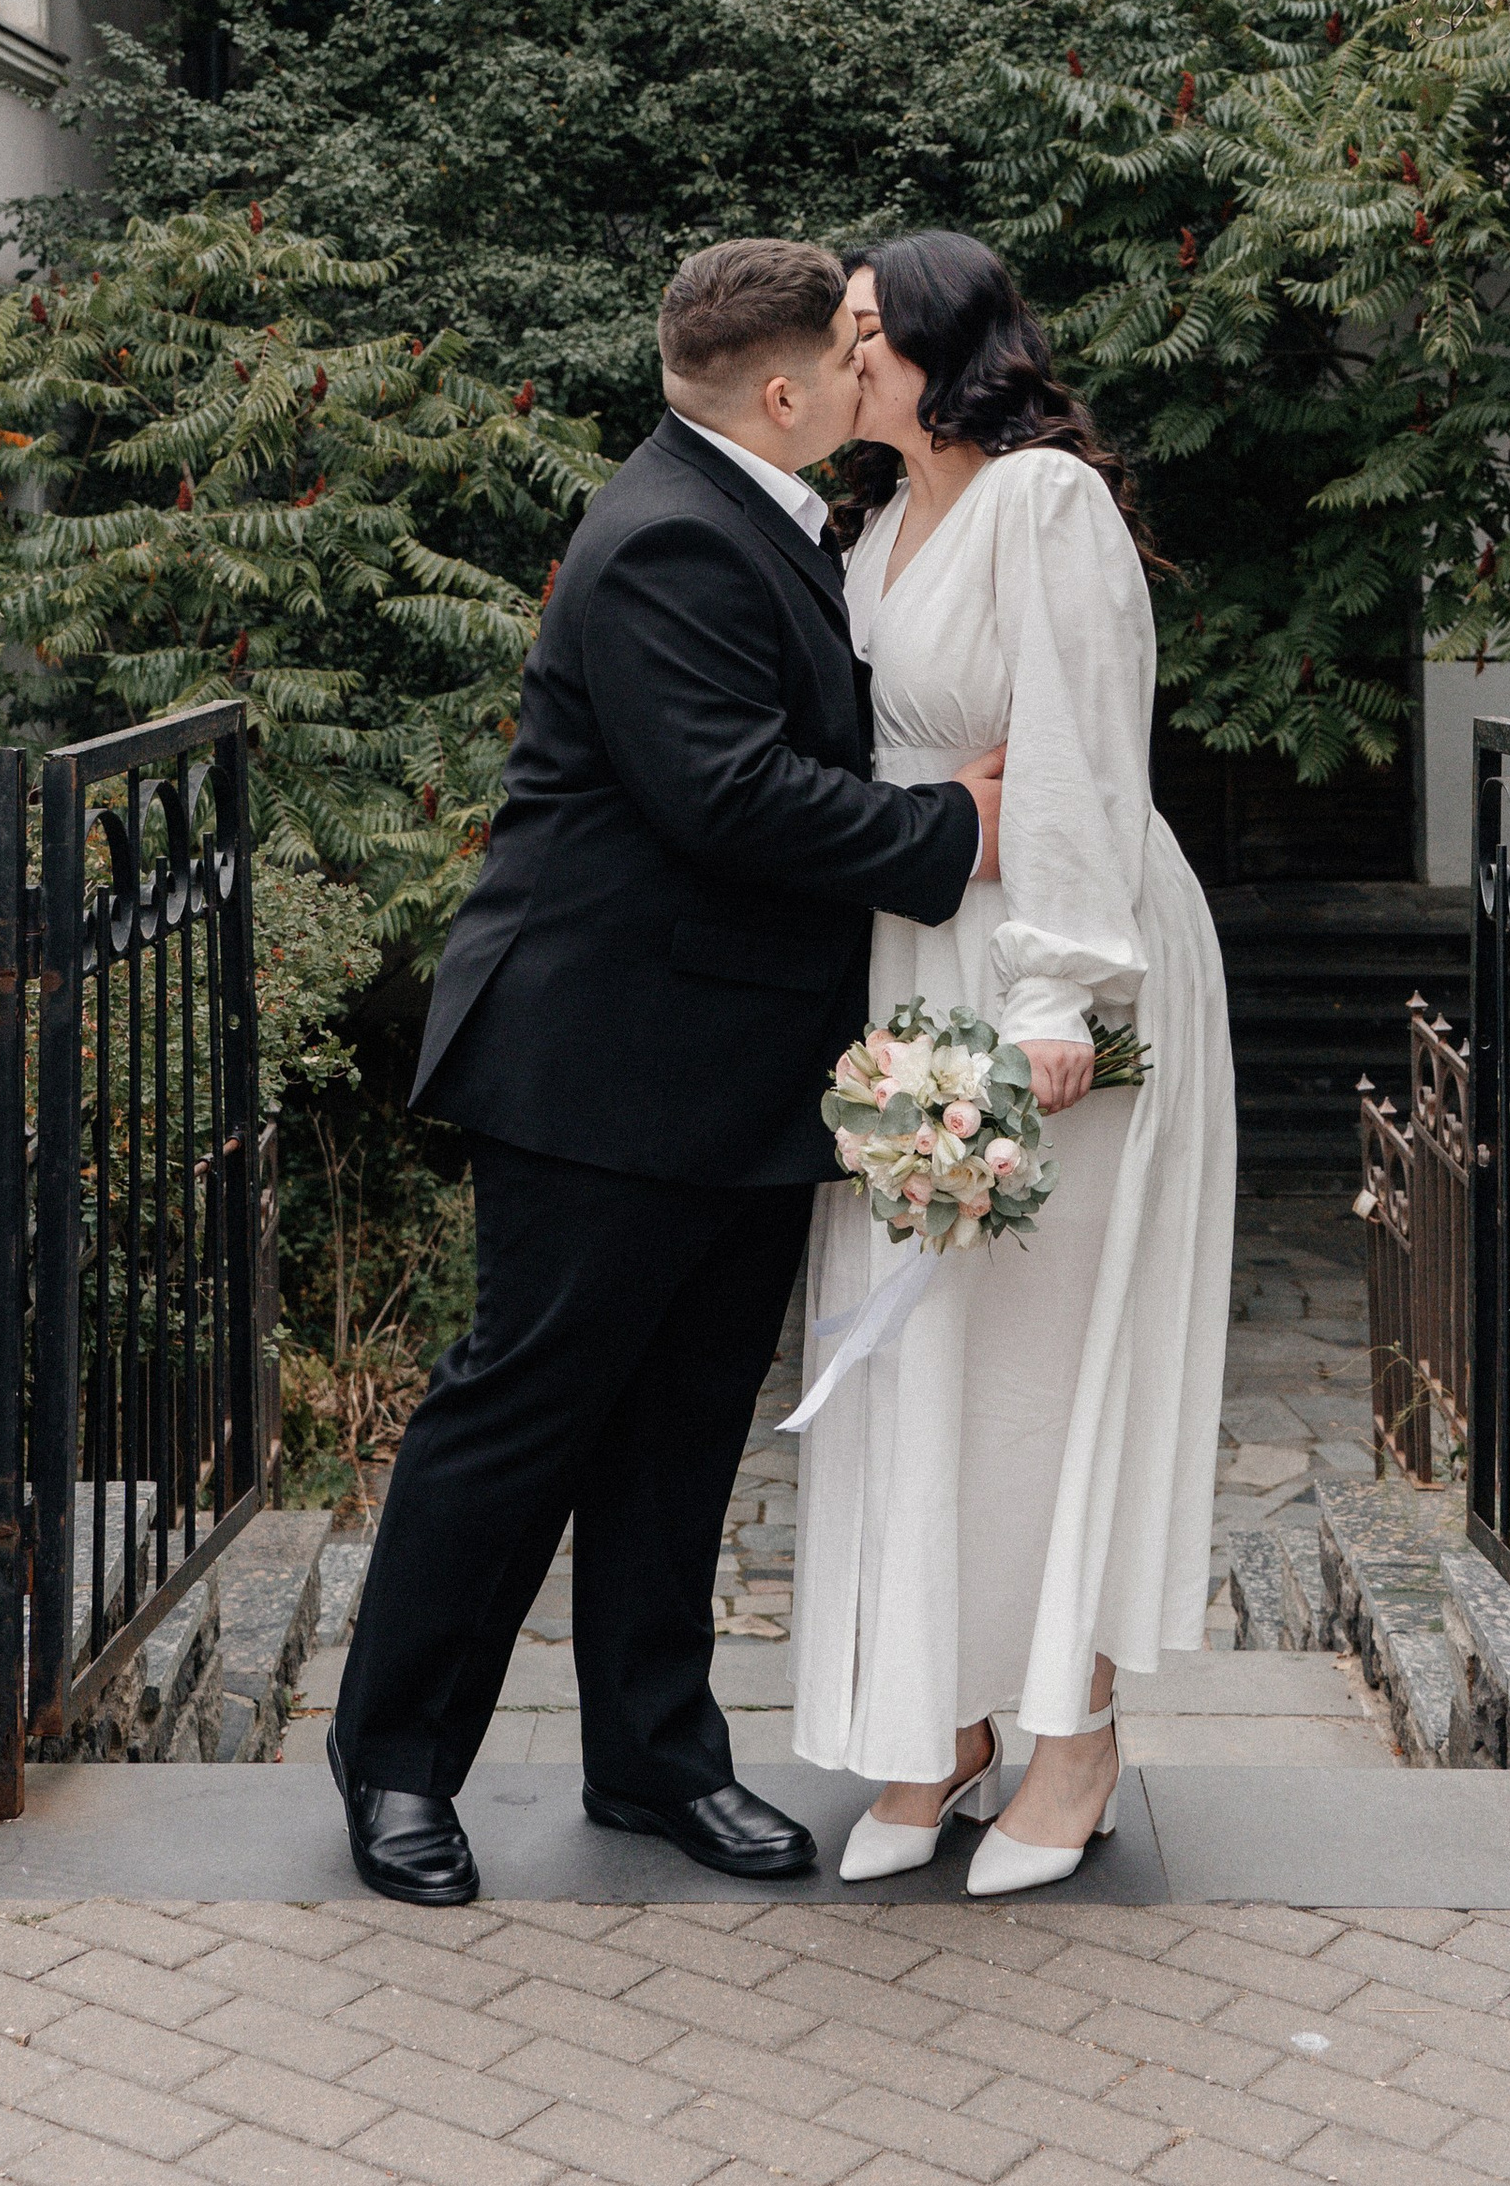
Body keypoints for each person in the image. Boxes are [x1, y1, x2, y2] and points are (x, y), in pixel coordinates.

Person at [328, 235, 1003, 1904]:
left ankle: (653, 1762)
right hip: (601, 1063)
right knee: (518, 1421)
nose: (872, 366)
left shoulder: (768, 518)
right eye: (848, 353)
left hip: (739, 1064)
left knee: (683, 1431)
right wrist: (956, 832)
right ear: (782, 394)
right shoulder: (667, 543)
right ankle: (397, 1768)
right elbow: (733, 796)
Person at [788, 231, 1235, 1893]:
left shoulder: (1047, 503)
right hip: (917, 949)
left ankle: (1076, 1738)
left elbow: (1079, 749)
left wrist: (1058, 998)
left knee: (1048, 1353)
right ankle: (946, 1724)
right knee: (919, 1355)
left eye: (858, 336)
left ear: (928, 346)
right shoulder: (879, 524)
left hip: (1060, 946)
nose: (838, 366)